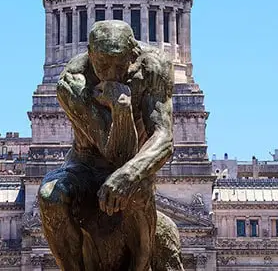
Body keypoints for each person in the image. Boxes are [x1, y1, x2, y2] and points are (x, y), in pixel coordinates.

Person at [38, 20, 177, 271]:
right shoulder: (72, 82)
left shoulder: (155, 67)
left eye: (119, 64)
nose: (111, 73)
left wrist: (129, 175)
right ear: (90, 54)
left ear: (133, 55)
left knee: (138, 187)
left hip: (134, 165)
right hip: (85, 167)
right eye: (102, 64)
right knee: (50, 196)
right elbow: (113, 151)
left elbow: (164, 138)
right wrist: (122, 107)